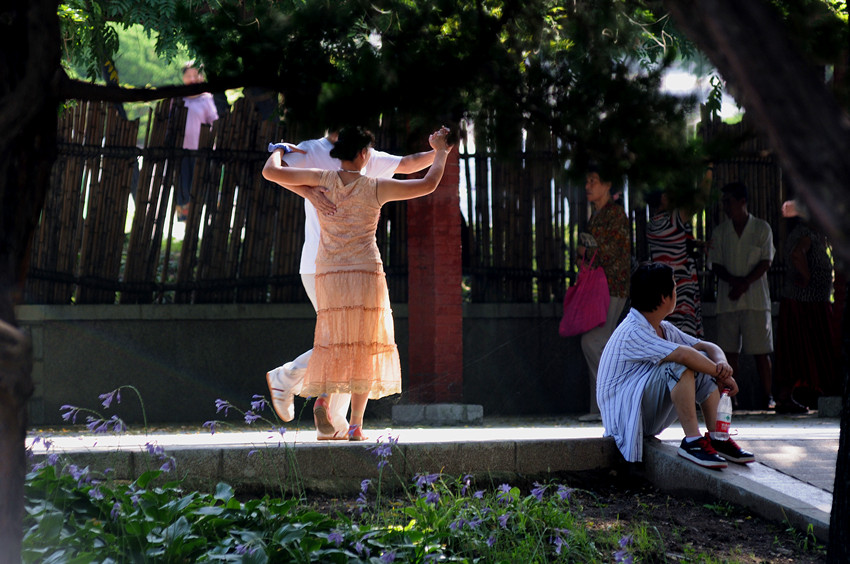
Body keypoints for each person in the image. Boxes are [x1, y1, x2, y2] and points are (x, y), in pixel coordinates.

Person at [262, 126, 452, 440]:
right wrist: (441, 152)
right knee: (366, 344)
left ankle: (324, 400)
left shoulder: (322, 178)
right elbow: (428, 184)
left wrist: (279, 149)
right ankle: (354, 425)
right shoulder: (375, 187)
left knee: (334, 339)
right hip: (365, 273)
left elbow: (272, 172)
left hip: (329, 272)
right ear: (364, 154)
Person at [598, 262, 755, 468]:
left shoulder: (662, 328)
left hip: (643, 411)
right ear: (664, 297)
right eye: (674, 287)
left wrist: (721, 364)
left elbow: (704, 346)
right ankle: (692, 442)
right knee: (681, 363)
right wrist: (722, 376)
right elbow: (683, 354)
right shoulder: (632, 330)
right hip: (626, 419)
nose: (676, 292)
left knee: (698, 360)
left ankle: (718, 439)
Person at [708, 181, 775, 410]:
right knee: (728, 354)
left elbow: (766, 261)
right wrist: (735, 283)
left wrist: (744, 283)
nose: (725, 206)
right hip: (728, 300)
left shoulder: (761, 228)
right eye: (724, 202)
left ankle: (768, 397)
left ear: (742, 202)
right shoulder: (721, 231)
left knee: (761, 352)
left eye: (729, 201)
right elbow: (715, 264)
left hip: (756, 300)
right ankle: (730, 399)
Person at [576, 165, 630, 421]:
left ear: (608, 184)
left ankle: (605, 407)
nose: (588, 186)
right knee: (603, 344)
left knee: (593, 342)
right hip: (600, 288)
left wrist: (587, 253)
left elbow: (610, 252)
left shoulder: (615, 215)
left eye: (593, 180)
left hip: (612, 287)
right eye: (587, 181)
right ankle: (602, 408)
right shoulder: (598, 214)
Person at [773, 199, 837, 413]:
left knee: (806, 350)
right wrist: (807, 276)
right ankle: (785, 396)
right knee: (800, 350)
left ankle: (791, 395)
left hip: (812, 302)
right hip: (804, 304)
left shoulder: (815, 235)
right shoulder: (805, 234)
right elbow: (797, 254)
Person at [645, 171, 712, 337]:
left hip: (663, 288)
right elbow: (699, 201)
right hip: (679, 289)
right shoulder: (672, 220)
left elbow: (673, 243)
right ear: (663, 197)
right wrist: (709, 172)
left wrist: (697, 244)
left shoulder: (654, 223)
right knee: (684, 339)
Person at [178, 61, 219, 221]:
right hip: (181, 150)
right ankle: (184, 219)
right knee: (183, 184)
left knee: (201, 183)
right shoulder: (178, 99)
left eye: (196, 75)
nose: (193, 79)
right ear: (183, 78)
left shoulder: (207, 98)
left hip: (201, 150)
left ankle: (202, 217)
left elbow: (213, 122)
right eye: (189, 76)